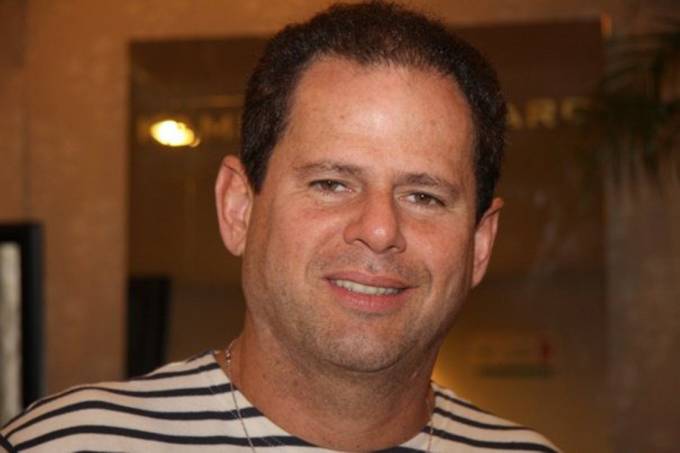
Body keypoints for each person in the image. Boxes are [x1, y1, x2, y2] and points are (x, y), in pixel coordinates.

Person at [1, 2, 559, 451]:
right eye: (331, 183)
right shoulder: (65, 445)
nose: (380, 229)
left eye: (424, 196)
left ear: (480, 243)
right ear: (238, 208)